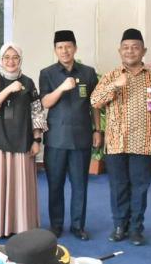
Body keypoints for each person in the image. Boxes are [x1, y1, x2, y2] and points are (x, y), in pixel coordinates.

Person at [91, 28, 151, 246]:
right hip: (116, 143)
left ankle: (136, 229)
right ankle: (120, 226)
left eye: (135, 47)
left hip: (144, 143)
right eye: (126, 47)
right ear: (119, 51)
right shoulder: (111, 76)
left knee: (140, 187)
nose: (130, 51)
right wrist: (114, 86)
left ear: (143, 51)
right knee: (118, 187)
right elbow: (95, 101)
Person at [0, 43, 47, 238]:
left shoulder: (28, 82)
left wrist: (37, 140)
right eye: (7, 57)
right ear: (1, 59)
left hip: (23, 140)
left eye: (15, 57)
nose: (11, 61)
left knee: (21, 185)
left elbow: (37, 112)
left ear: (20, 59)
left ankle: (21, 225)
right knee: (0, 184)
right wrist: (9, 89)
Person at [39, 30, 100, 241]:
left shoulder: (88, 73)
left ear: (75, 48)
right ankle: (56, 225)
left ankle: (77, 226)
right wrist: (62, 88)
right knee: (55, 184)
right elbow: (45, 102)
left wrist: (97, 130)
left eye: (68, 46)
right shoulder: (47, 73)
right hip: (56, 138)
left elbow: (94, 104)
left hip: (82, 138)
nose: (64, 50)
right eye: (60, 47)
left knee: (80, 185)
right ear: (55, 50)